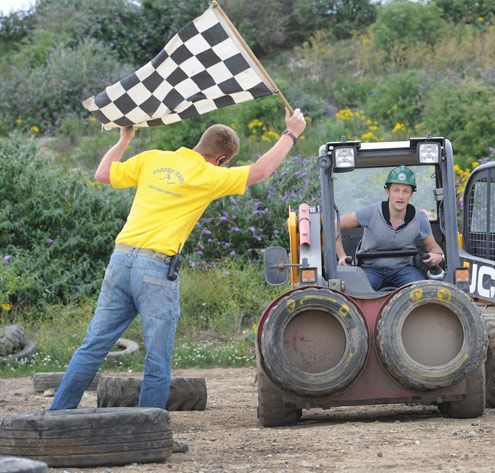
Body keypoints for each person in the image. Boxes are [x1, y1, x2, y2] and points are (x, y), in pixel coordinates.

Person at [50, 108, 306, 412]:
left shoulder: (153, 158)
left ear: (200, 143)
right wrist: (291, 134)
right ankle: (148, 429)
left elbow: (102, 174)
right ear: (221, 160)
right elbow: (261, 170)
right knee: (157, 358)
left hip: (120, 260)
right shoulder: (207, 175)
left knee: (93, 346)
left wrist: (124, 139)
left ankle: (56, 418)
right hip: (155, 268)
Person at [335, 165, 444, 290]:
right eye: (396, 190)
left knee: (422, 292)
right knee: (357, 292)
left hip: (404, 269)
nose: (400, 196)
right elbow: (335, 225)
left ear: (411, 194)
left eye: (405, 191)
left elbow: (432, 246)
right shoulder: (370, 213)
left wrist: (438, 256)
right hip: (371, 269)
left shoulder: (420, 218)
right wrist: (342, 256)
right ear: (387, 192)